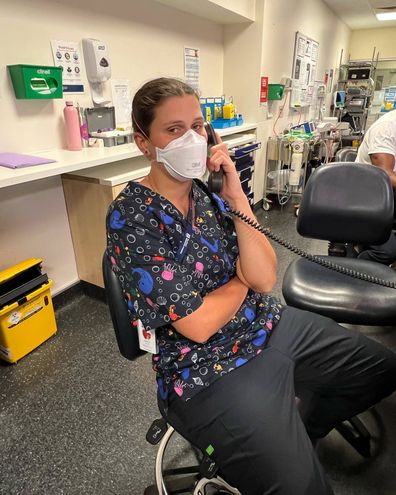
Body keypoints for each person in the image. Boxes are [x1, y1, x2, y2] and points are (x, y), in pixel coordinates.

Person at [106, 77, 396, 495]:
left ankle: (297, 433)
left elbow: (263, 276)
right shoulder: (131, 217)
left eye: (198, 126)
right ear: (143, 142)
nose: (192, 138)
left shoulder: (208, 196)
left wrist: (236, 193)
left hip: (266, 326)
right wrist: (242, 279)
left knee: (380, 370)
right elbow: (199, 325)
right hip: (204, 368)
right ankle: (277, 450)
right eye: (173, 130)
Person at [355, 109, 396, 264]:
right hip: (367, 200)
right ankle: (351, 274)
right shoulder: (387, 127)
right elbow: (384, 174)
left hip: (390, 198)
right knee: (386, 252)